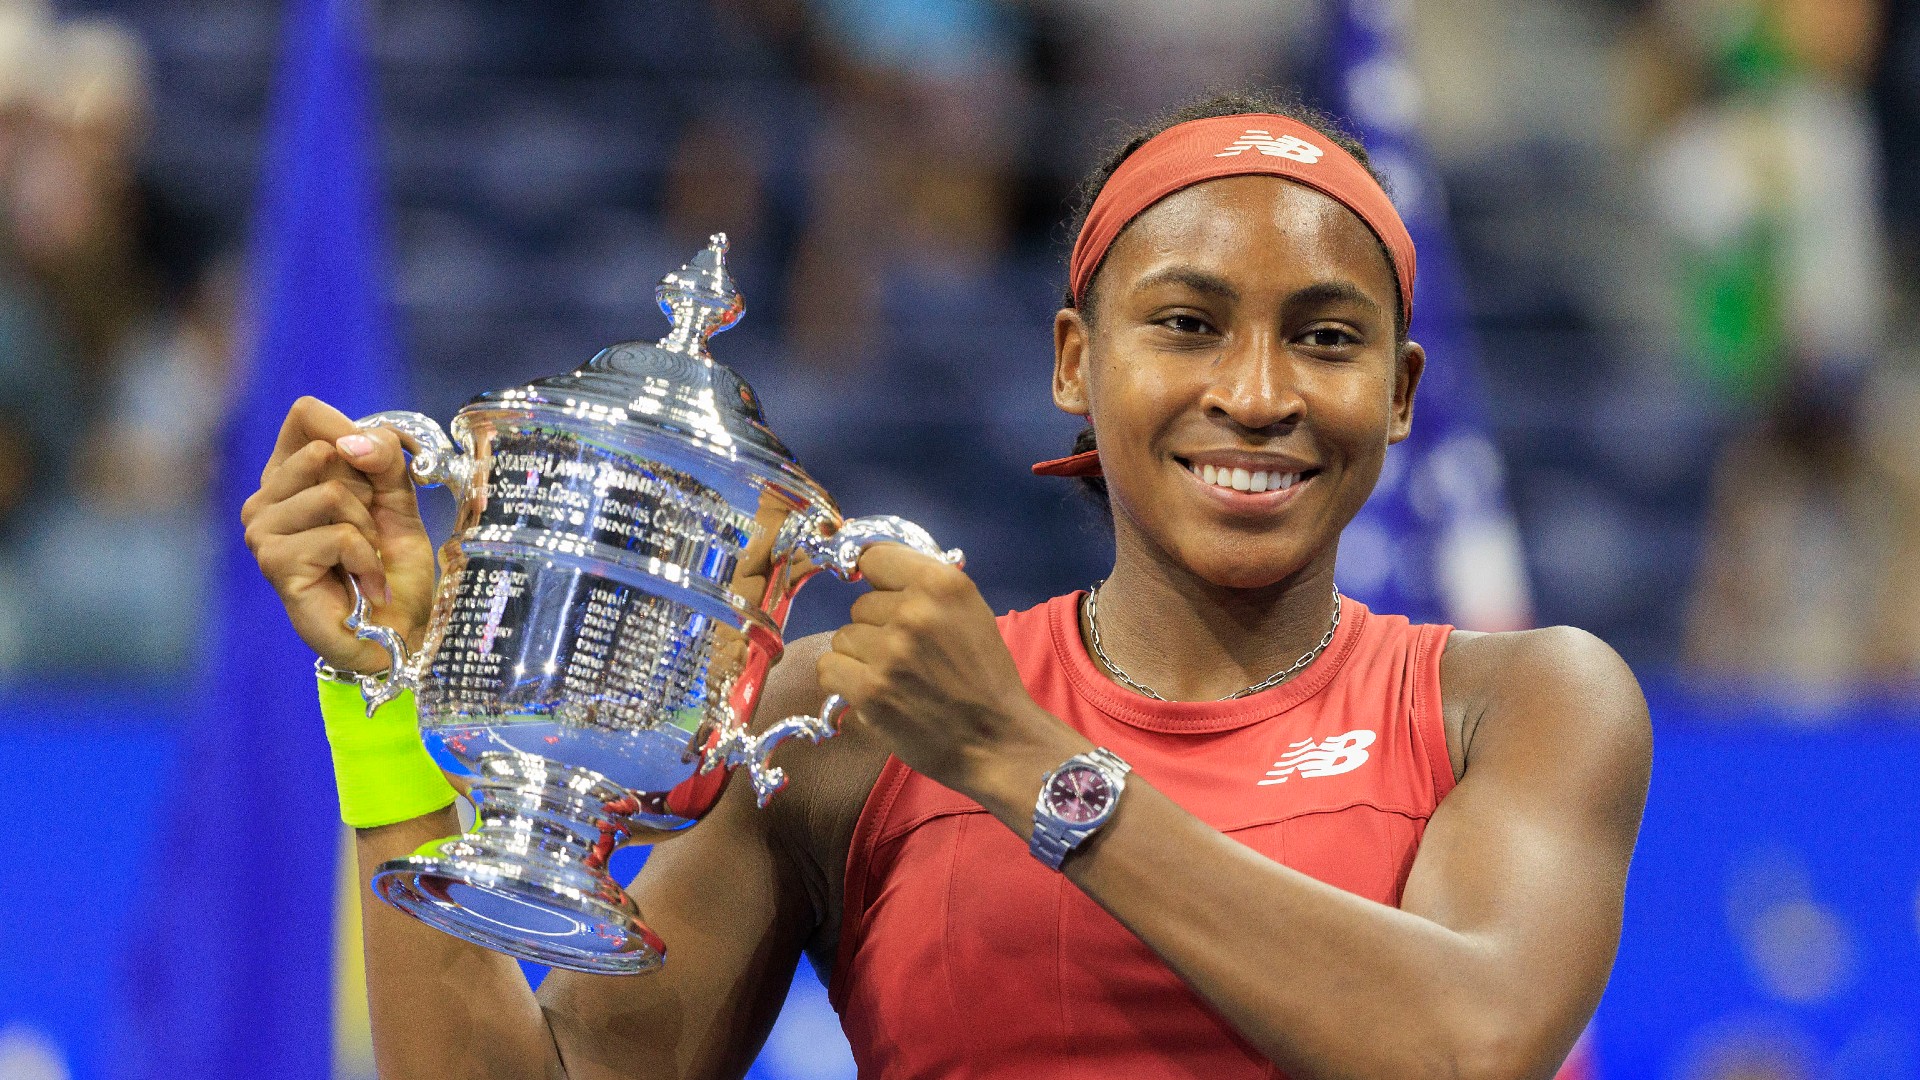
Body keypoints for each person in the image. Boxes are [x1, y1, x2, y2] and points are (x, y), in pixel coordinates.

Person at [242, 90, 1651, 1080]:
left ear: (1400, 395)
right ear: (1072, 365)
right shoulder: (847, 739)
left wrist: (1021, 760)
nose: (1259, 392)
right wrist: (379, 699)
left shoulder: (1523, 703)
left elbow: (1468, 1045)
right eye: (1187, 324)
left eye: (1327, 339)